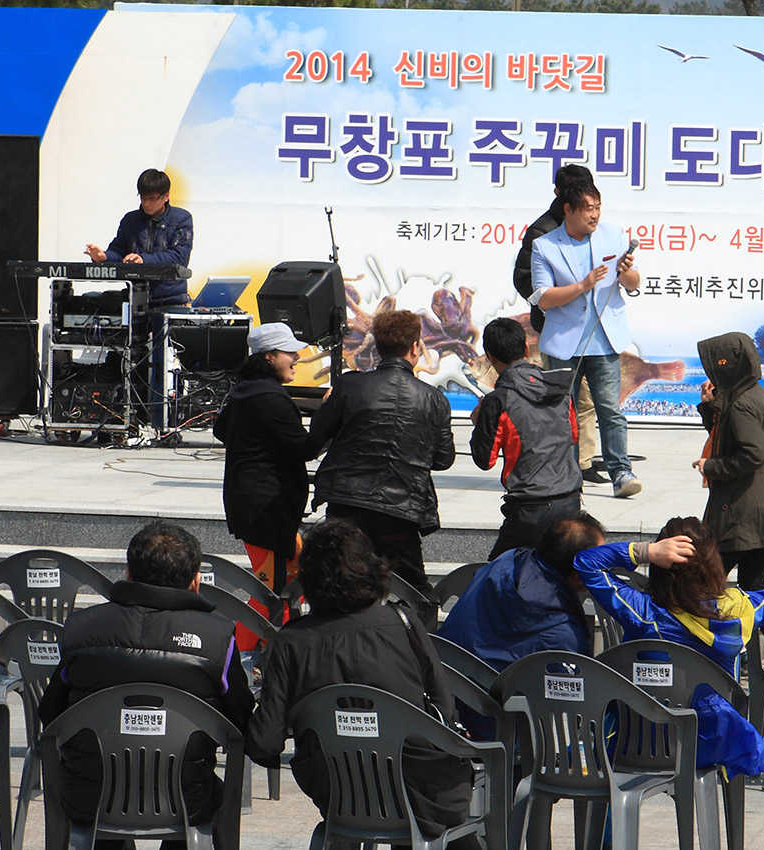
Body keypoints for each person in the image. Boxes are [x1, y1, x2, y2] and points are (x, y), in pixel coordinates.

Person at [246, 519, 478, 849]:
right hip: (420, 790)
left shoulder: (291, 641)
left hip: (337, 792)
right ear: (370, 568)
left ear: (308, 576)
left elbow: (264, 744)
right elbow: (442, 711)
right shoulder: (404, 622)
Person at [574, 516, 764, 777]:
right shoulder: (739, 610)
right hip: (709, 744)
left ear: (660, 567)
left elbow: (585, 563)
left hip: (638, 741)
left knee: (604, 737)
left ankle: (608, 824)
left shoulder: (643, 613)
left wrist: (646, 551)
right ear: (714, 564)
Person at [37, 521, 254, 846]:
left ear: (127, 574)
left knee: (108, 786)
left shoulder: (80, 629)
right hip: (185, 799)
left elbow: (50, 714)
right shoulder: (218, 638)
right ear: (195, 582)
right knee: (203, 794)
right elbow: (241, 722)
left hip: (89, 798)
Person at [310, 309, 454, 596]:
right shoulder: (433, 399)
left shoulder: (350, 386)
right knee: (415, 593)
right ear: (415, 348)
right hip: (400, 507)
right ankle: (419, 640)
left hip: (346, 503)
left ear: (377, 347)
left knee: (339, 583)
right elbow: (443, 459)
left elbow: (314, 442)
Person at [692, 331, 764, 670]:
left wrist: (711, 466)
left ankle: (716, 652)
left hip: (743, 515)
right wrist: (710, 407)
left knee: (704, 581)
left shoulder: (740, 404)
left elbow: (752, 453)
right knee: (753, 588)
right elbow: (727, 435)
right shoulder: (748, 395)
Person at [531, 179, 642, 499]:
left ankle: (620, 471)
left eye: (598, 208)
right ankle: (565, 472)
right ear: (568, 210)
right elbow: (543, 298)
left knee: (609, 408)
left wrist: (627, 272)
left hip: (605, 341)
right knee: (561, 410)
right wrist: (583, 285)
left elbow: (633, 285)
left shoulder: (614, 235)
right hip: (563, 343)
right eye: (587, 209)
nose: (594, 215)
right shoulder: (546, 245)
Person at [214, 322, 326, 597]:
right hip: (264, 511)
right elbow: (305, 448)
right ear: (269, 356)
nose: (297, 358)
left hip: (256, 506)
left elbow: (220, 430)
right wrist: (330, 413)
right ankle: (247, 642)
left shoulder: (244, 391)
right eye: (290, 352)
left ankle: (285, 637)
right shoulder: (270, 399)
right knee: (270, 595)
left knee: (298, 579)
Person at [514, 163, 604, 485]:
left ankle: (584, 459)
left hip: (595, 328)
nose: (589, 209)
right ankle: (566, 460)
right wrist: (552, 301)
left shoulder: (597, 231)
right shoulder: (544, 232)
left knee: (589, 398)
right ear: (560, 195)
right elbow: (525, 281)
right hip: (560, 327)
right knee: (563, 397)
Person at [84, 168, 194, 429]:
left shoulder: (181, 219)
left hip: (171, 299)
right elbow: (118, 251)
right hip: (136, 299)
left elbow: (180, 258)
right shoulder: (130, 220)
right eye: (143, 198)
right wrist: (103, 257)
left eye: (153, 198)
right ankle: (130, 415)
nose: (146, 204)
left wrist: (145, 259)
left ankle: (166, 419)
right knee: (129, 357)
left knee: (166, 362)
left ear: (166, 197)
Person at [469, 317, 582, 558]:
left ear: (490, 356)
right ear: (527, 349)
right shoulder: (560, 389)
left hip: (529, 509)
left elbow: (484, 460)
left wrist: (479, 422)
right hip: (570, 501)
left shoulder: (498, 400)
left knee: (495, 577)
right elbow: (573, 436)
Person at [438, 512, 603, 672]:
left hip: (447, 674)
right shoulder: (563, 636)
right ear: (578, 575)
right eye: (603, 562)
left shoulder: (506, 561)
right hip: (491, 695)